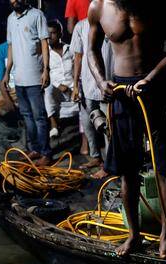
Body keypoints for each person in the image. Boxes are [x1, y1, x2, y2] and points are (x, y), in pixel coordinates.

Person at [87, 0, 166, 258]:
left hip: (156, 88)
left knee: (164, 168)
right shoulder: (98, 7)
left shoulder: (162, 5)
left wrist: (152, 78)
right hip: (120, 92)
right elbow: (91, 49)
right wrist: (100, 81)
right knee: (127, 171)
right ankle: (134, 236)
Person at [3, 0, 52, 167]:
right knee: (27, 116)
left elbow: (45, 43)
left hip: (35, 76)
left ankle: (46, 153)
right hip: (19, 78)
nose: (15, 0)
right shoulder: (10, 19)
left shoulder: (37, 15)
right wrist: (7, 72)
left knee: (39, 117)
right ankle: (34, 149)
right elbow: (11, 47)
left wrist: (46, 69)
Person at [70, 16, 108, 175]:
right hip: (87, 82)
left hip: (107, 82)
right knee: (87, 122)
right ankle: (96, 156)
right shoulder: (81, 26)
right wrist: (75, 85)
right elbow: (77, 56)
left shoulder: (110, 21)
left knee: (108, 125)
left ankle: (109, 165)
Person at [44, 20, 73, 139]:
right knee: (48, 91)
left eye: (53, 33)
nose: (49, 36)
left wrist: (75, 85)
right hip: (56, 85)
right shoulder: (46, 53)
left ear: (60, 34)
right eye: (48, 34)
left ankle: (85, 130)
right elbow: (46, 73)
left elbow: (78, 68)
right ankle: (54, 125)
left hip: (72, 84)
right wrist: (59, 85)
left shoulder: (70, 49)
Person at [0, 41, 16, 115]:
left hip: (26, 87)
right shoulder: (0, 50)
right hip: (11, 90)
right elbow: (0, 80)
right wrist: (9, 102)